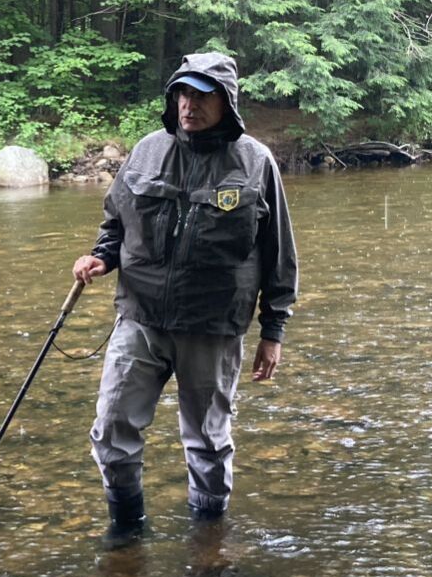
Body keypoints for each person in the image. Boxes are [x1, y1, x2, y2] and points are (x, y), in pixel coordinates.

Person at [73, 50, 297, 536]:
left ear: (227, 102)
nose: (188, 105)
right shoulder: (148, 150)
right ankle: (126, 535)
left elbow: (279, 255)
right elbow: (116, 221)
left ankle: (208, 541)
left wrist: (273, 331)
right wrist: (100, 257)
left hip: (213, 328)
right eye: (182, 93)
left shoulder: (255, 163)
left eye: (201, 96)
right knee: (112, 430)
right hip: (140, 318)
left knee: (208, 443)